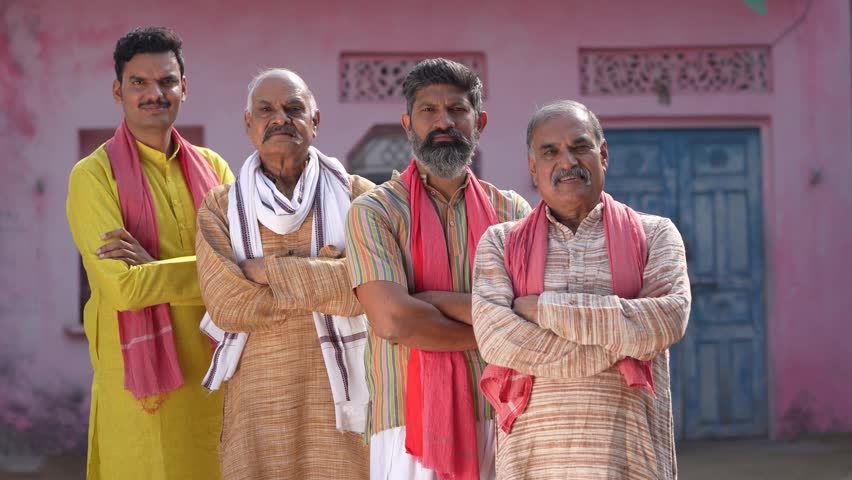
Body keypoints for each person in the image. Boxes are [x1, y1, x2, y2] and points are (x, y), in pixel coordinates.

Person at [472, 100, 691, 479]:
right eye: (550, 151)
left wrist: (543, 310)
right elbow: (496, 340)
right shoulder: (500, 243)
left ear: (602, 153)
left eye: (580, 147)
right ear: (532, 167)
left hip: (629, 455)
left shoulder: (655, 234)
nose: (567, 161)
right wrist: (621, 334)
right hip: (534, 459)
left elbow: (665, 322)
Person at [345, 58, 530, 480]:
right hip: (407, 423)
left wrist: (430, 305)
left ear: (478, 121)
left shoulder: (512, 214)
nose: (443, 121)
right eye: (429, 110)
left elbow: (528, 316)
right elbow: (393, 321)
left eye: (457, 110)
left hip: (502, 415)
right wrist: (496, 336)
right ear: (408, 124)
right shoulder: (375, 211)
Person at [66, 26, 233, 480]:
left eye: (166, 81)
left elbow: (245, 270)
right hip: (143, 388)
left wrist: (154, 268)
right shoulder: (94, 177)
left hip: (218, 375)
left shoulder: (214, 168)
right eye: (139, 82)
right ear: (118, 90)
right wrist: (218, 268)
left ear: (184, 89)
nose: (154, 93)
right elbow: (123, 286)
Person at [195, 68, 372, 480]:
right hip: (258, 404)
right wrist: (328, 274)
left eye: (294, 108)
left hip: (342, 407)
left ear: (315, 121)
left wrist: (266, 271)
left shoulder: (360, 198)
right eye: (266, 109)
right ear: (248, 123)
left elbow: (367, 290)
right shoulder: (221, 207)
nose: (280, 118)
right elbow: (228, 304)